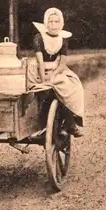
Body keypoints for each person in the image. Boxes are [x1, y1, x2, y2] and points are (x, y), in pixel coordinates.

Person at [27, 7, 85, 137]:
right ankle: (39, 124)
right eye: (51, 22)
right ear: (46, 23)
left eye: (56, 22)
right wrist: (44, 80)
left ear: (61, 23)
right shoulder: (39, 38)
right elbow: (40, 62)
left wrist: (53, 75)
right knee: (42, 90)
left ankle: (69, 123)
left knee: (72, 87)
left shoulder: (62, 39)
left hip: (56, 70)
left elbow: (62, 63)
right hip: (38, 70)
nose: (53, 25)